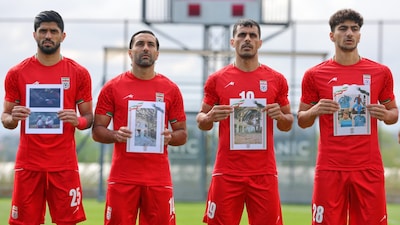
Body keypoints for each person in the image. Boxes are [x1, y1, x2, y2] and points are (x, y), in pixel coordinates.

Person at [297, 9, 398, 225]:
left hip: (368, 167)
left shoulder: (380, 72)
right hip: (330, 167)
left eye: (354, 29)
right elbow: (302, 119)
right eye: (343, 29)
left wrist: (386, 114)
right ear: (332, 35)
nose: (349, 33)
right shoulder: (314, 75)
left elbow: (394, 114)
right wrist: (315, 110)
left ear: (360, 35)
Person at [196, 19, 293, 225]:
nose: (247, 39)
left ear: (260, 43)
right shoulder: (217, 79)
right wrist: (210, 117)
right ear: (233, 41)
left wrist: (280, 116)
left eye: (252, 35)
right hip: (227, 171)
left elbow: (288, 123)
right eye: (241, 35)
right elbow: (202, 120)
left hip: (263, 172)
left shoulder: (276, 79)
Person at [1, 10, 93, 225]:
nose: (48, 36)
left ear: (63, 36)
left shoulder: (78, 73)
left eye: (53, 31)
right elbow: (5, 117)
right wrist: (13, 117)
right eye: (43, 31)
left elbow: (89, 117)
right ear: (35, 35)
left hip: (64, 165)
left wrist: (76, 120)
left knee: (67, 222)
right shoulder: (17, 73)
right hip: (29, 164)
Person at [92, 30, 187, 225]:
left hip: (158, 179)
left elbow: (182, 134)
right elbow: (97, 131)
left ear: (157, 54)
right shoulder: (113, 87)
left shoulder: (171, 89)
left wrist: (170, 137)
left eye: (151, 45)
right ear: (130, 52)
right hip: (123, 178)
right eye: (140, 43)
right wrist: (116, 135)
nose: (146, 48)